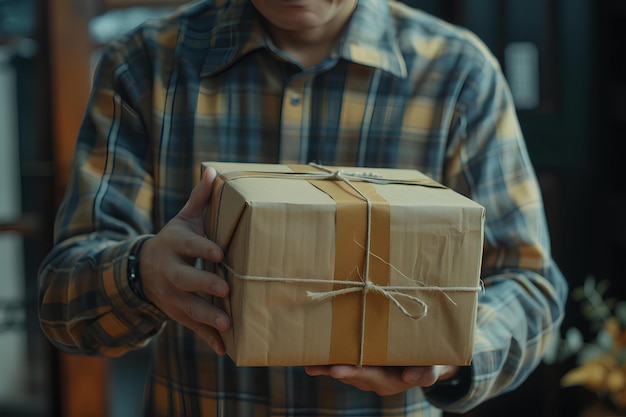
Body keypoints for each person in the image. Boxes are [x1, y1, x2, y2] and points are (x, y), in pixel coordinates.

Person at [38, 0, 568, 415]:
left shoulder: (460, 75)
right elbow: (62, 300)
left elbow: (532, 287)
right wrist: (140, 272)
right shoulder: (146, 64)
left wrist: (452, 353)